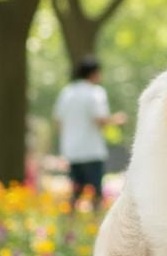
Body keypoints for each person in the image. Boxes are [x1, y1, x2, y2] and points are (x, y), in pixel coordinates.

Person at [52, 56, 125, 211]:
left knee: (75, 190)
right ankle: (96, 221)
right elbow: (100, 119)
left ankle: (69, 223)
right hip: (92, 150)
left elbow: (58, 121)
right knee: (96, 191)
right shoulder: (95, 92)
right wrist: (117, 119)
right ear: (94, 73)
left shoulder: (67, 92)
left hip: (72, 150)